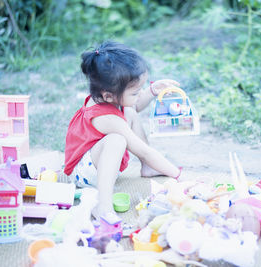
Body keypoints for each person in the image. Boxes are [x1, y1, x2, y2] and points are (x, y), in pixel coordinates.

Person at [64, 40, 181, 221]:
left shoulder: (111, 99)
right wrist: (177, 174)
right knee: (116, 139)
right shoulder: (106, 118)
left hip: (98, 162)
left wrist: (151, 91)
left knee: (130, 111)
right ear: (108, 95)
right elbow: (143, 150)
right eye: (135, 92)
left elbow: (135, 105)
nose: (138, 95)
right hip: (84, 174)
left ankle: (148, 168)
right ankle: (103, 205)